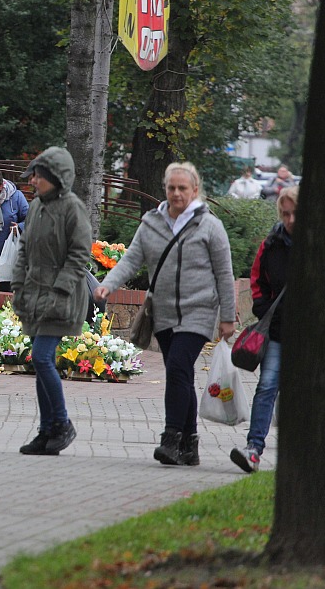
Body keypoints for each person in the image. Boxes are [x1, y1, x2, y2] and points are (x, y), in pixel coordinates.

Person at [95, 161, 236, 466]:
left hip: (199, 310)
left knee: (177, 367)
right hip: (163, 311)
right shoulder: (151, 223)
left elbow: (225, 273)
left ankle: (171, 439)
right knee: (180, 374)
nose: (176, 193)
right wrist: (107, 285)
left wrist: (227, 315)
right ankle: (190, 444)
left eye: (182, 188)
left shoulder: (209, 225)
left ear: (195, 190)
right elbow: (131, 260)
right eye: (171, 188)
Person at [10, 147, 91, 456]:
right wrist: (19, 285)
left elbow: (80, 253)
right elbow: (24, 250)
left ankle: (61, 424)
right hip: (35, 295)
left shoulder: (72, 207)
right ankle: (46, 432)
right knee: (38, 360)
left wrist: (60, 289)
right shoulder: (36, 207)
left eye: (38, 176)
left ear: (56, 178)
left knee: (42, 357)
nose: (32, 181)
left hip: (62, 298)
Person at [230, 185, 298, 473]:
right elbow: (257, 280)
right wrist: (263, 309)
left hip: (315, 337)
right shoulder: (271, 243)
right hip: (280, 331)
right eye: (285, 214)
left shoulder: (324, 243)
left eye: (295, 213)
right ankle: (254, 448)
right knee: (267, 386)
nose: (291, 219)